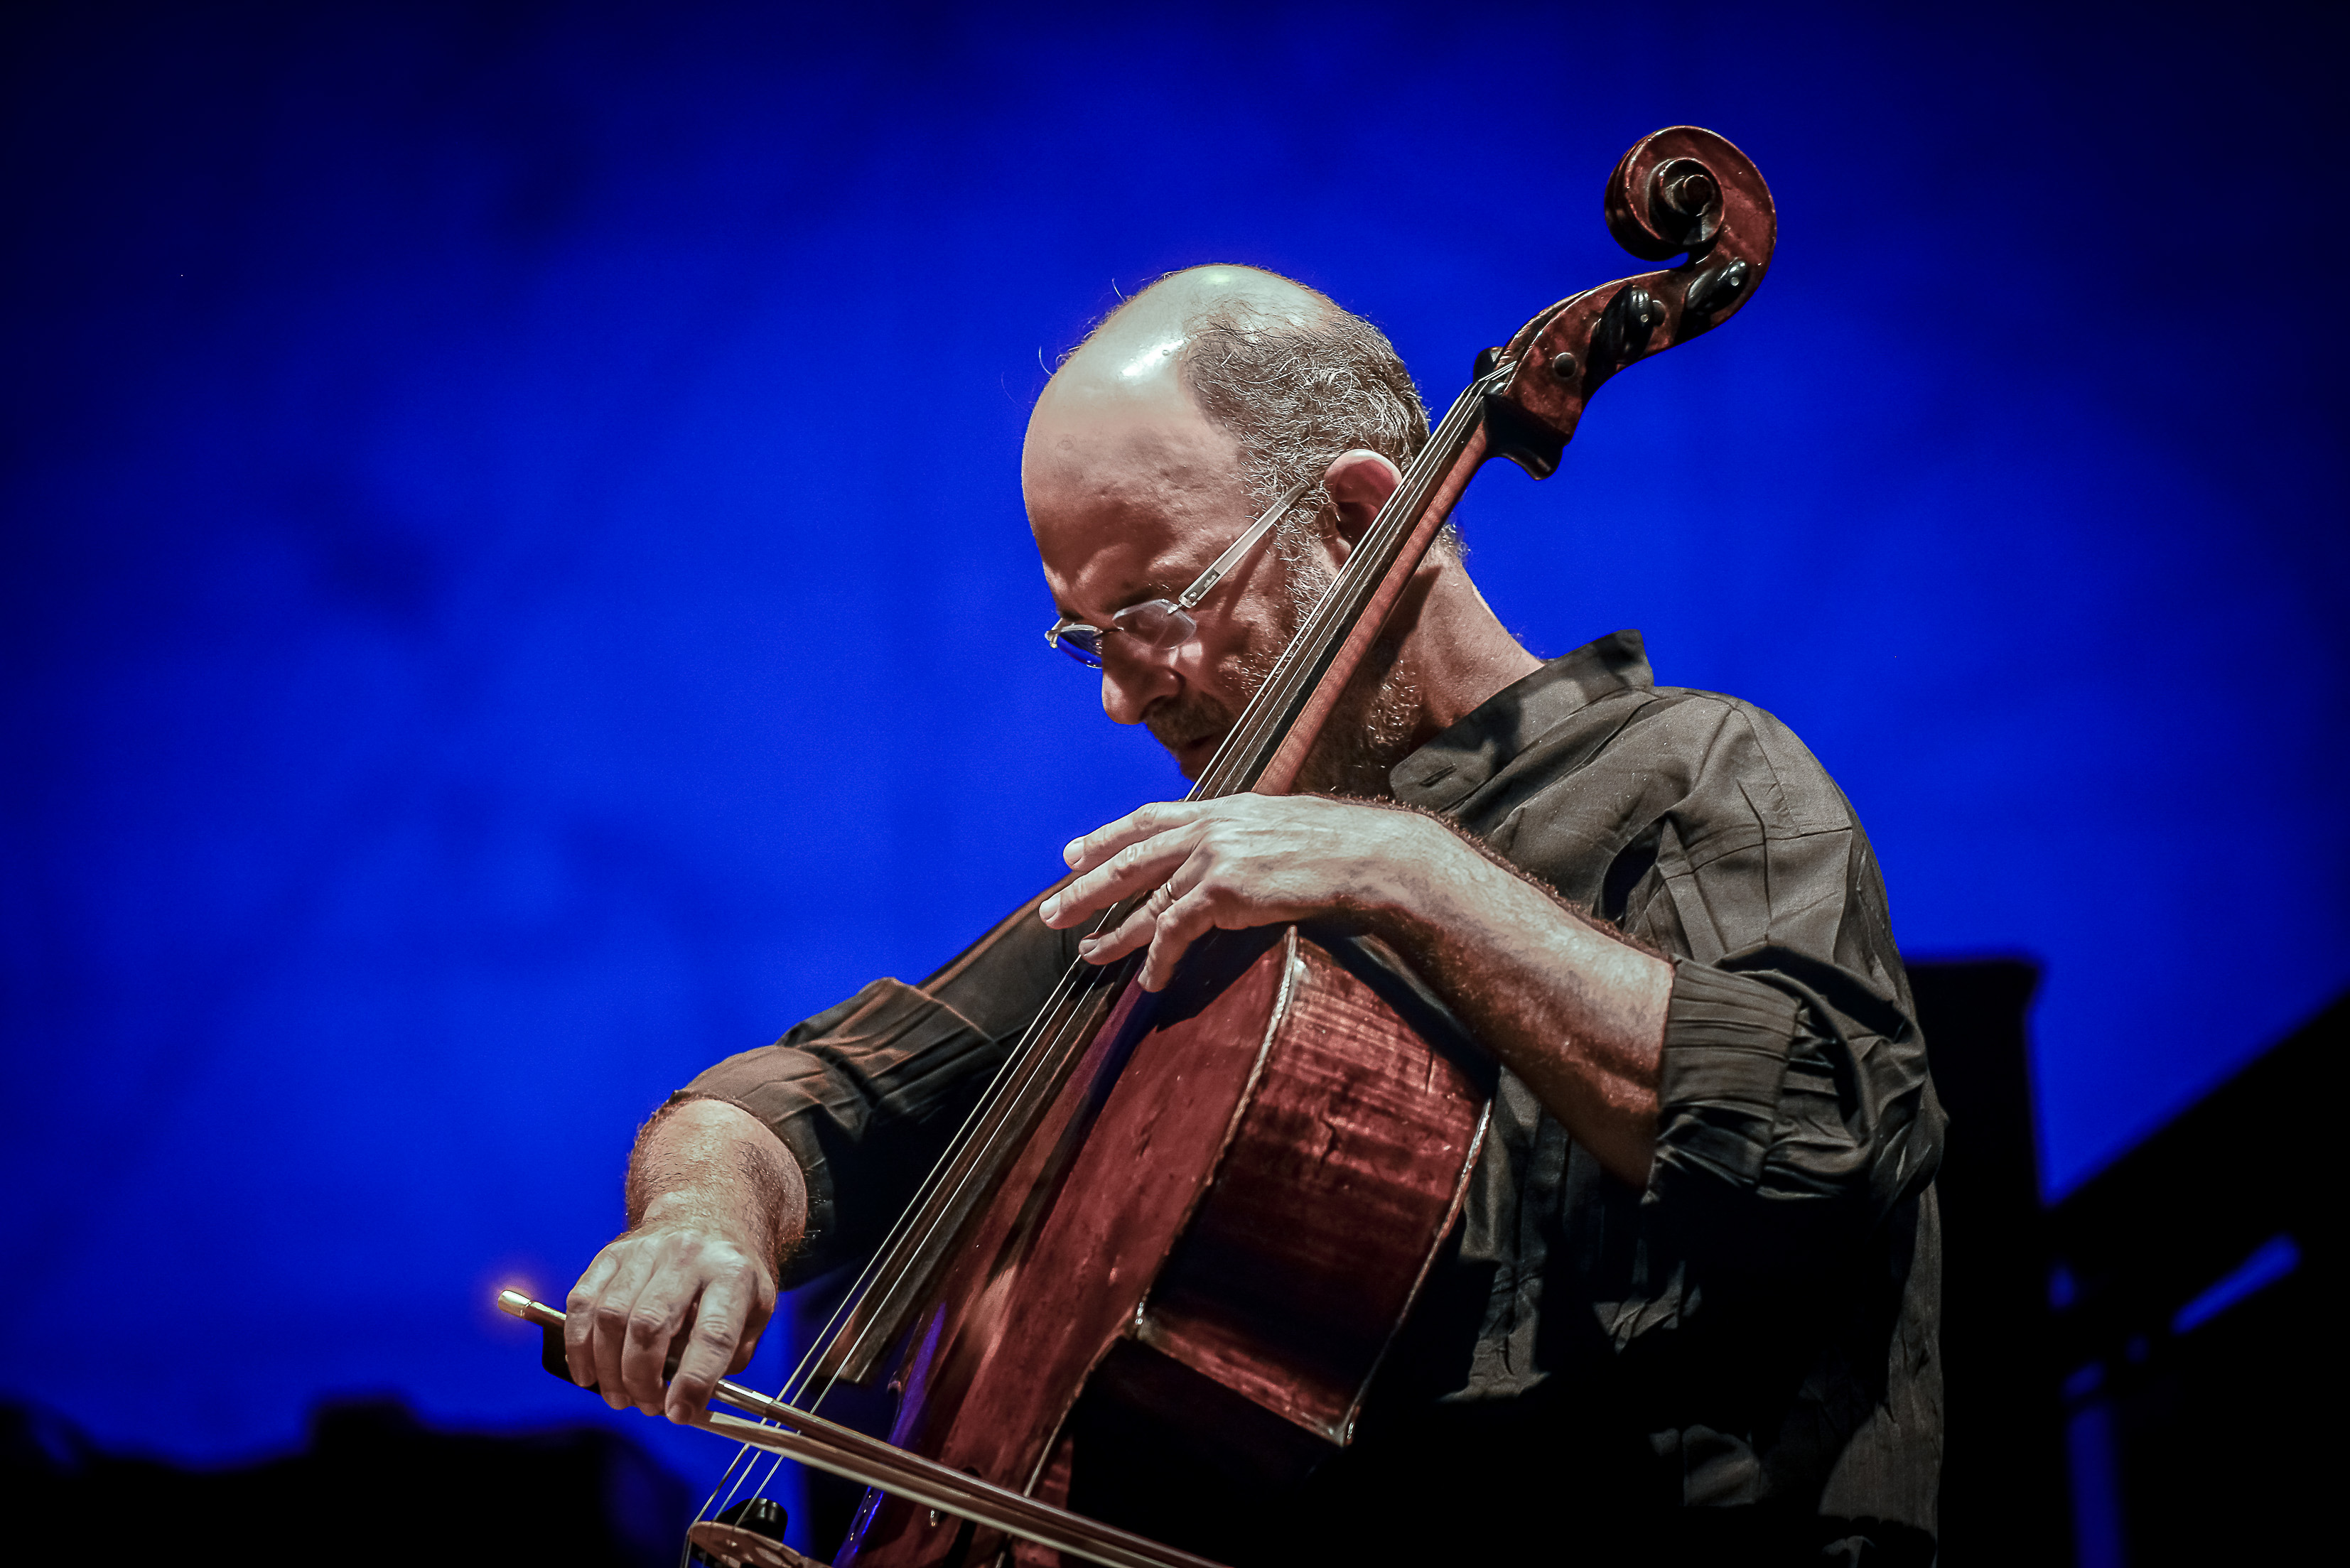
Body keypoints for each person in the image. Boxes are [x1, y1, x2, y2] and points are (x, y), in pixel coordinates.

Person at [562, 265, 1944, 1565]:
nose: (1123, 694)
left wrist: (1408, 870)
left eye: (1155, 608)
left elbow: (1817, 1144)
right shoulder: (1198, 883)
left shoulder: (1696, 775)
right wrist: (702, 1218)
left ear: (1358, 515)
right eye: (1088, 639)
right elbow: (817, 1097)